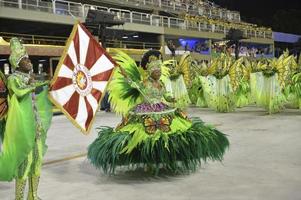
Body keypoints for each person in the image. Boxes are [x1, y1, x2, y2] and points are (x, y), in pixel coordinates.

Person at [87, 50, 229, 174]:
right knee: (146, 136)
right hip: (146, 111)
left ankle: (166, 157)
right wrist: (125, 75)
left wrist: (169, 98)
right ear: (150, 71)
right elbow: (132, 83)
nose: (159, 73)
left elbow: (164, 95)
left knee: (170, 132)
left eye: (160, 71)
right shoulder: (143, 84)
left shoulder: (160, 83)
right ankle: (149, 160)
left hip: (162, 108)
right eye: (156, 71)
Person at [0, 38, 52, 200]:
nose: (29, 62)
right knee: (24, 163)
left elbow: (38, 94)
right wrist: (33, 85)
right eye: (25, 60)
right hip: (22, 128)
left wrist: (47, 85)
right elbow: (20, 91)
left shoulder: (30, 78)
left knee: (37, 161)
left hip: (35, 127)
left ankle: (33, 195)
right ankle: (19, 197)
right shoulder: (13, 79)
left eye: (29, 59)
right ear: (17, 63)